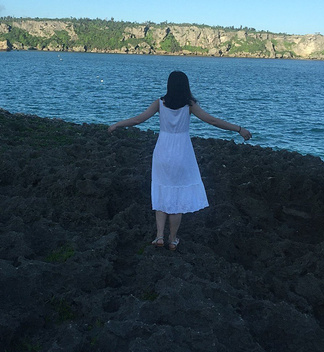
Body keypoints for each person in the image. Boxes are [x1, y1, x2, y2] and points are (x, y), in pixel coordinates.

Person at [108, 71, 252, 251]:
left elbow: (138, 119)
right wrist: (238, 129)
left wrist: (117, 124)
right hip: (182, 152)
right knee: (177, 196)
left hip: (163, 150)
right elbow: (212, 121)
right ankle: (172, 239)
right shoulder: (189, 105)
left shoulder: (159, 103)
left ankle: (159, 236)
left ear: (169, 85)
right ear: (185, 86)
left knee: (162, 190)